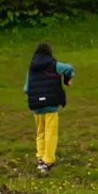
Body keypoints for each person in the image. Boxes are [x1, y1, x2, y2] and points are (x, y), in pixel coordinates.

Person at [23, 42, 75, 174]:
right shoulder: (53, 65)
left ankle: (40, 157)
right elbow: (69, 68)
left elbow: (26, 89)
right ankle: (48, 160)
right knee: (50, 133)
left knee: (40, 132)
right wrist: (67, 79)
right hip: (51, 105)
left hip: (36, 107)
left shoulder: (31, 68)